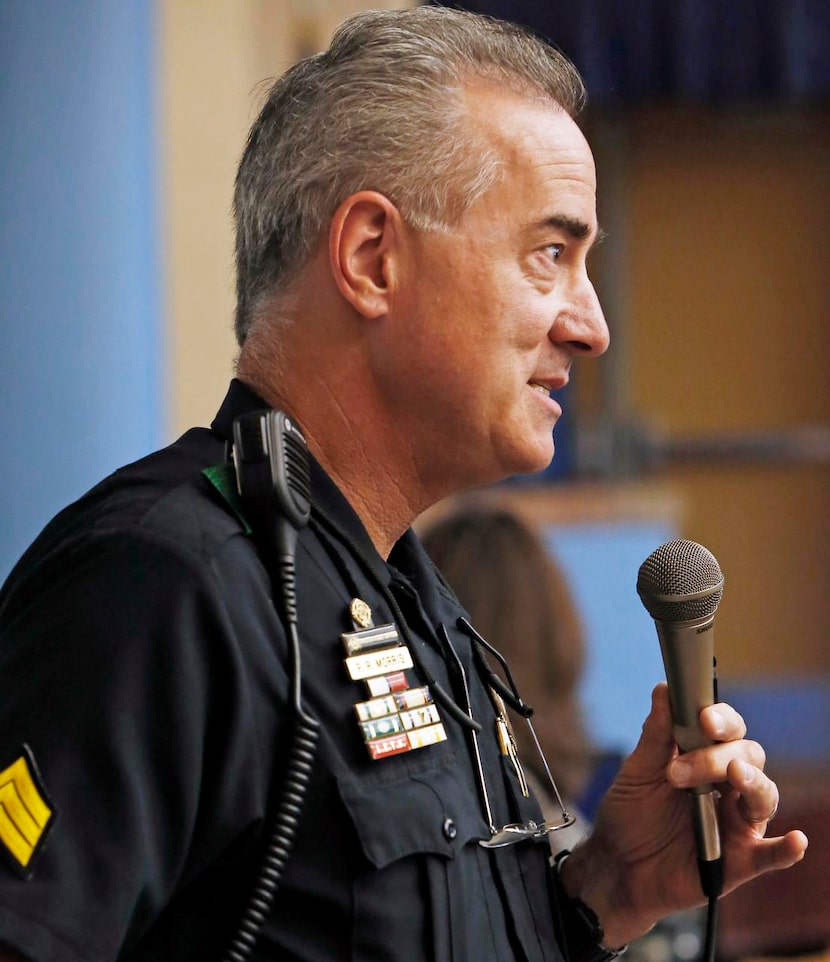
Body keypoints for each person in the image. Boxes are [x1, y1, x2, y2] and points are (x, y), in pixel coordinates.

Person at [0, 7, 807, 961]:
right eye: (551, 254)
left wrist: (606, 892)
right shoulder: (165, 584)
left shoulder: (407, 602)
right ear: (372, 258)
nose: (591, 325)